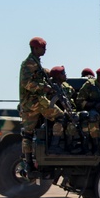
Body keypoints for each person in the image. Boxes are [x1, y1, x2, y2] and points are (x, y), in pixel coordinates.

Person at [19, 37, 65, 176]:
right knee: (60, 116)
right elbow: (26, 83)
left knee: (28, 134)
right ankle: (54, 146)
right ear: (35, 48)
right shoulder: (28, 64)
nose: (45, 50)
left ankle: (29, 164)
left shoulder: (35, 63)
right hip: (36, 102)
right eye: (42, 48)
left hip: (30, 103)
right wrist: (44, 88)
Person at [48, 66, 81, 152]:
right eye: (63, 73)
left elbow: (74, 96)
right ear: (58, 76)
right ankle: (54, 145)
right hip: (52, 114)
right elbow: (50, 103)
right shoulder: (51, 87)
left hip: (64, 111)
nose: (65, 75)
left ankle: (69, 145)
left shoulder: (63, 86)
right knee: (61, 118)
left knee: (73, 119)